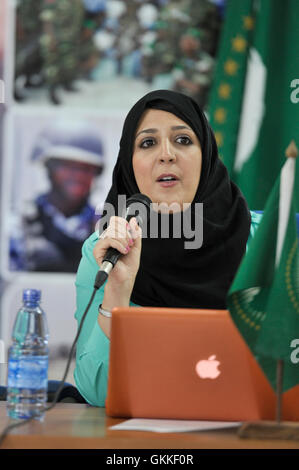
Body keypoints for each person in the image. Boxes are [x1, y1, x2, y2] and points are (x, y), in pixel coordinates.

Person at [74, 89, 262, 406]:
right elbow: (96, 393)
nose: (167, 154)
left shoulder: (263, 240)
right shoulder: (104, 252)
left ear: (208, 157)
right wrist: (117, 291)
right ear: (128, 165)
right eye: (148, 143)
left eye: (183, 140)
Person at [10, 120, 105, 273]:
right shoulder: (18, 226)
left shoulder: (106, 227)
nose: (79, 175)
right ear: (49, 167)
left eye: (87, 168)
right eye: (68, 165)